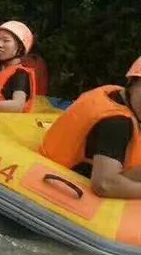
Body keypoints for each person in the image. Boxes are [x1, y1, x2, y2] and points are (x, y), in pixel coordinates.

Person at [40, 57, 141, 198]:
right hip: (60, 187)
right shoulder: (117, 123)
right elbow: (104, 185)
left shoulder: (115, 94)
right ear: (133, 82)